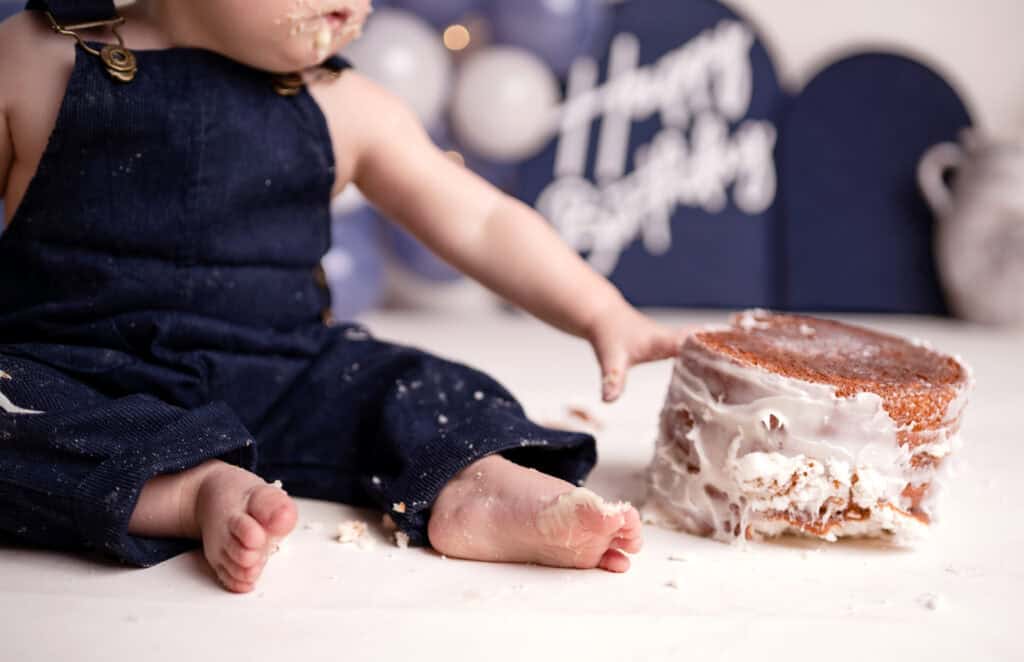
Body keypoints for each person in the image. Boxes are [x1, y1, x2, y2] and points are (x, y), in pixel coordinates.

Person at [0, 0, 686, 593]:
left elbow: (481, 219)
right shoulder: (39, 57)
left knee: (414, 389)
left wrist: (600, 309)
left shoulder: (344, 103)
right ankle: (186, 490)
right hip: (76, 380)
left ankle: (475, 486)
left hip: (282, 379)